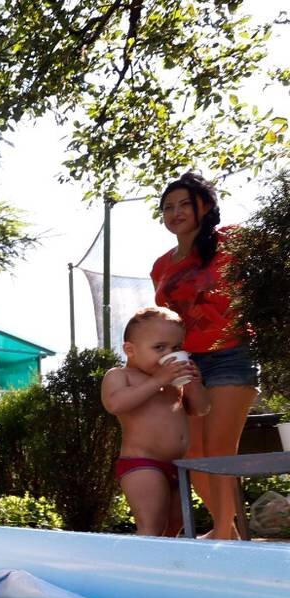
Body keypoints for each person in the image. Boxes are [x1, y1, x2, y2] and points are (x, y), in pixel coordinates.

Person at [152, 172, 258, 539]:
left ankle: (224, 537)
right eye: (168, 207)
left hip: (232, 356)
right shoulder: (161, 266)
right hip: (187, 365)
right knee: (193, 455)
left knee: (218, 451)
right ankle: (227, 531)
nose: (175, 212)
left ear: (206, 207)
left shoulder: (232, 241)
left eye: (184, 204)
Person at [101, 307, 210, 536]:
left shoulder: (174, 383)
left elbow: (200, 409)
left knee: (175, 524)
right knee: (152, 525)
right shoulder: (121, 376)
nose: (169, 354)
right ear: (130, 350)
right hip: (142, 464)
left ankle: (163, 569)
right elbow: (115, 404)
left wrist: (194, 384)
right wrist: (158, 380)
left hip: (176, 465)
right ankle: (137, 570)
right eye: (159, 348)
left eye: (176, 348)